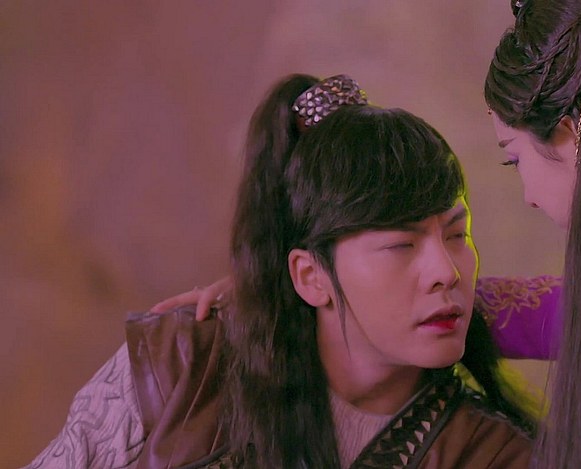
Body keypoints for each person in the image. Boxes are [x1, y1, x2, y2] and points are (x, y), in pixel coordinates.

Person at [165, 1, 581, 468]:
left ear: (574, 134)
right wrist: (304, 287)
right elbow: (511, 307)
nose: (527, 196)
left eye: (514, 159)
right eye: (400, 243)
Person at [26, 74, 536, 468]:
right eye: (401, 244)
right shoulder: (184, 365)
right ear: (311, 277)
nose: (445, 271)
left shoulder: (494, 454)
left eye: (457, 235)